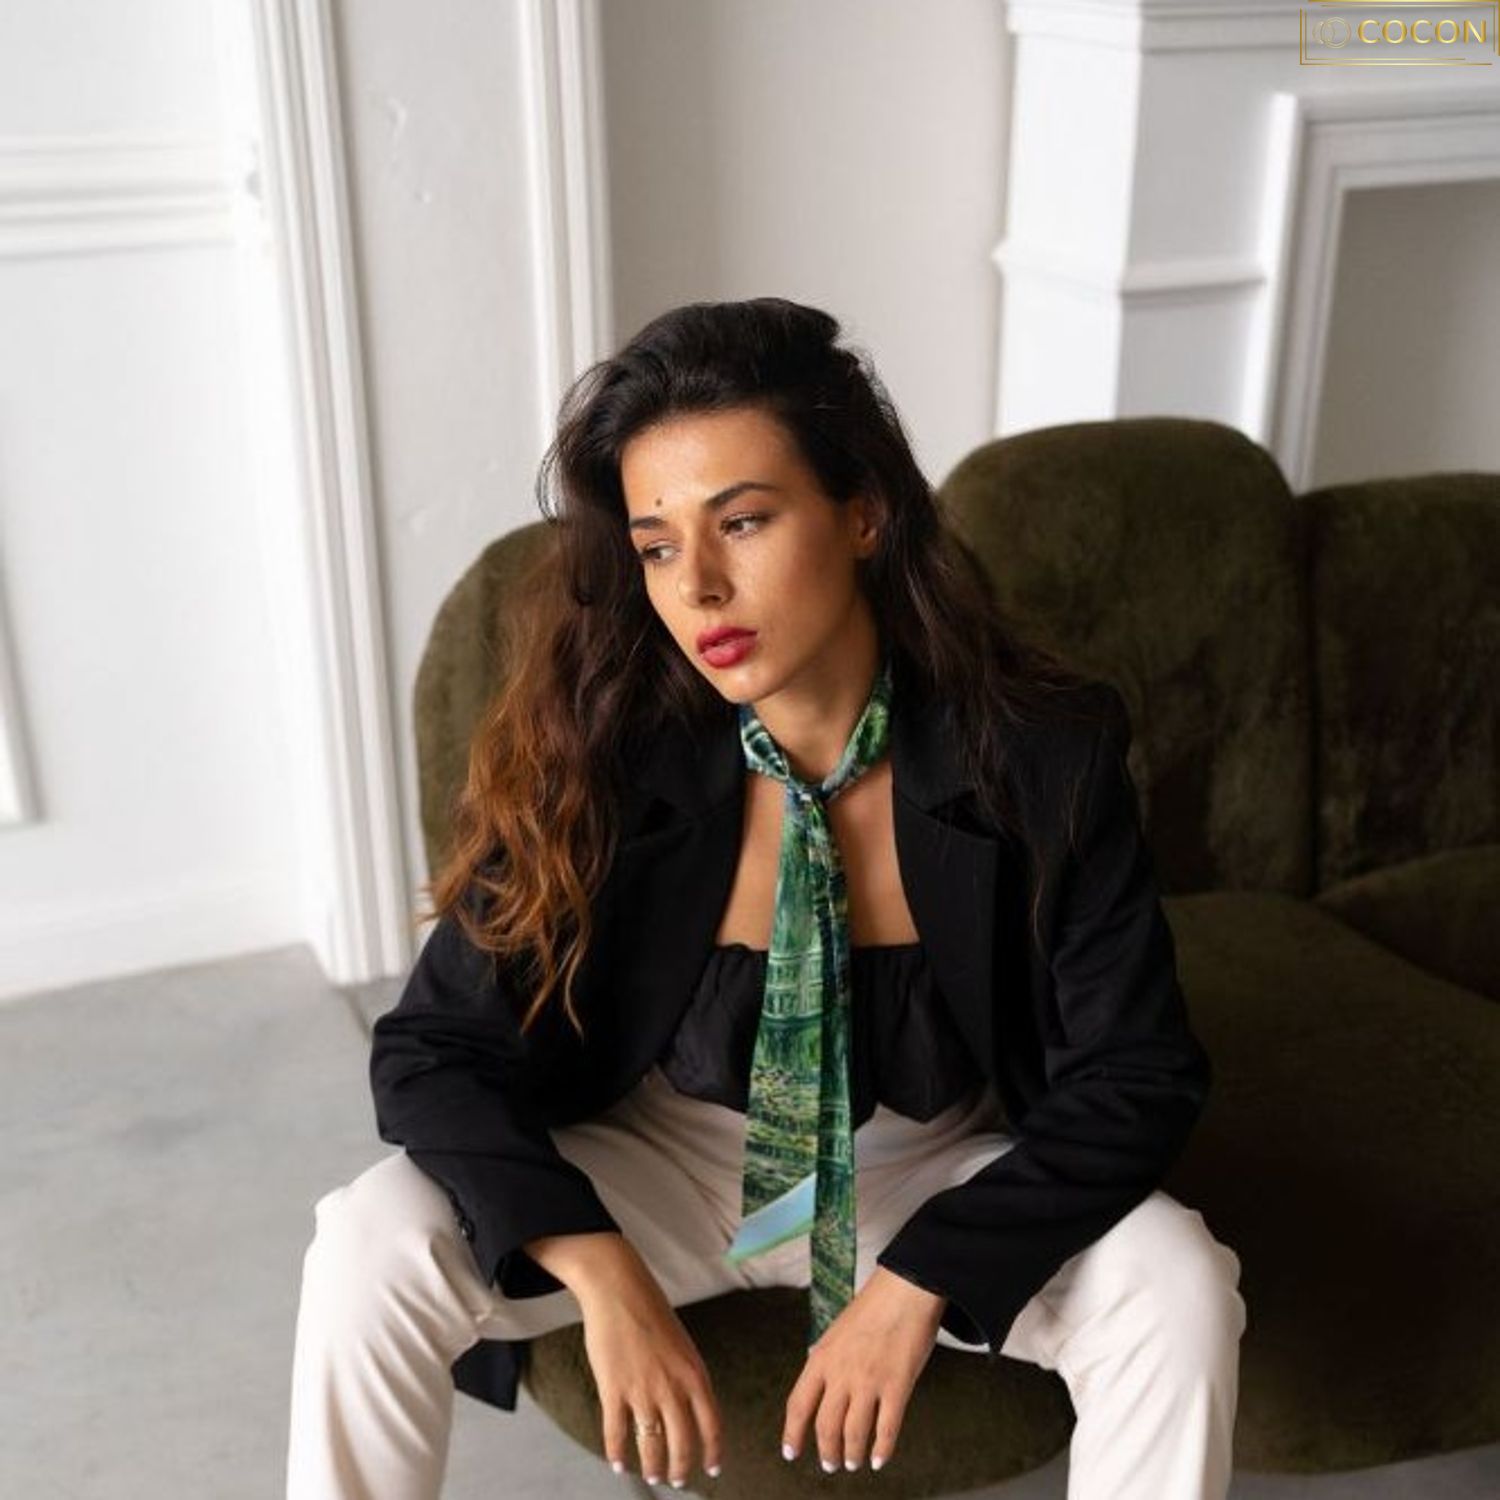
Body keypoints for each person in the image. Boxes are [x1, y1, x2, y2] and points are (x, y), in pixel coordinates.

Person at [286, 297, 1245, 1499]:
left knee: (1177, 1281)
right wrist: (601, 1271)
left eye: (742, 521)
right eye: (657, 546)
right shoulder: (600, 742)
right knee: (368, 1237)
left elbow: (1138, 1072)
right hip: (663, 1162)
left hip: (924, 1165)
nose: (699, 586)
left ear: (863, 511)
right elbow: (432, 1049)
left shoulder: (1039, 752)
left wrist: (922, 1277)